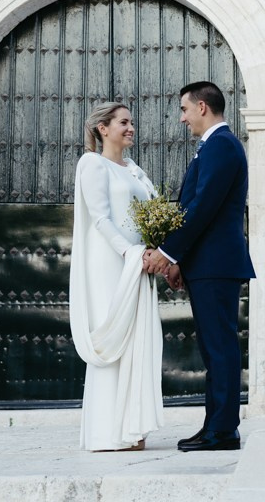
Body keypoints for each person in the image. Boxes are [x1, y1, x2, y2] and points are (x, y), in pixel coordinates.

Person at [144, 81, 255, 452]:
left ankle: (223, 430)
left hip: (216, 264)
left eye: (185, 109)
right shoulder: (214, 147)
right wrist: (180, 261)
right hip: (207, 263)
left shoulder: (222, 145)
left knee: (220, 348)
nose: (182, 118)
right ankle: (215, 426)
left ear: (203, 107)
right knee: (214, 349)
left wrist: (169, 253)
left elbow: (203, 206)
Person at [69, 102, 163, 452]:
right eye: (123, 122)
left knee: (137, 343)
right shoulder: (92, 163)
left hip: (138, 262)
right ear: (102, 128)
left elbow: (151, 210)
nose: (130, 128)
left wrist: (155, 252)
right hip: (113, 263)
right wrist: (128, 253)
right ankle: (106, 432)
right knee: (116, 340)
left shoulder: (134, 169)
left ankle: (132, 429)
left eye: (131, 122)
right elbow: (100, 217)